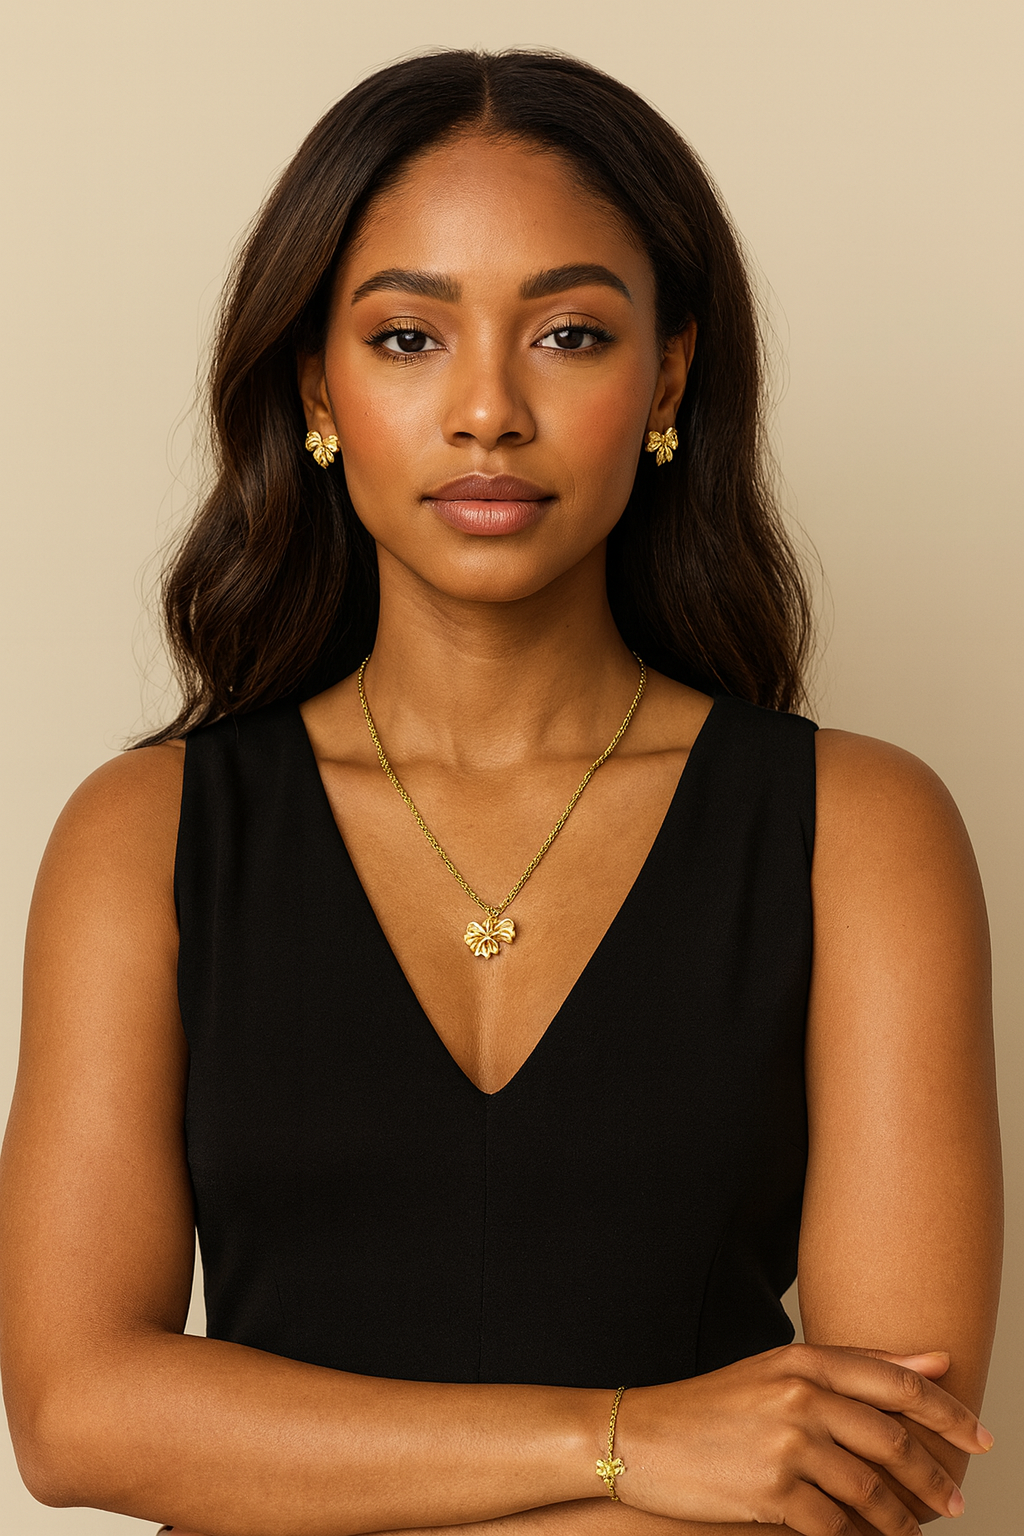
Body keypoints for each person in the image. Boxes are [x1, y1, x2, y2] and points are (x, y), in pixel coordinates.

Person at [0, 47, 1001, 1536]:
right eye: (408, 337)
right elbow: (77, 1417)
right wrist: (629, 1443)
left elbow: (877, 1462)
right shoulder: (143, 837)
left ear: (667, 373)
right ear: (314, 382)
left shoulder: (859, 831)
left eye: (571, 334)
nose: (487, 411)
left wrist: (279, 1462)